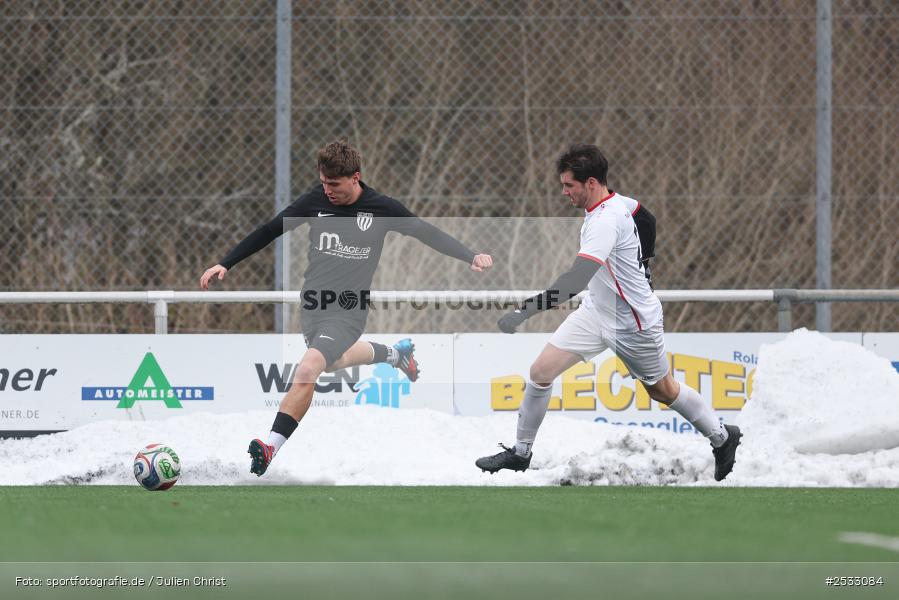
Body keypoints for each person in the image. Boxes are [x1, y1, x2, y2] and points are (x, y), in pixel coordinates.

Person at [200, 140, 493, 476]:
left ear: (355, 177)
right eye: (323, 182)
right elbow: (270, 230)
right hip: (313, 306)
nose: (328, 191)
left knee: (309, 368)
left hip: (348, 310)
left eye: (334, 184)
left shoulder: (381, 208)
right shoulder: (315, 201)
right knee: (334, 362)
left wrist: (470, 256)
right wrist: (226, 262)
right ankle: (394, 355)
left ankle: (270, 446)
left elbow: (426, 232)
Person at [476, 144, 741, 481]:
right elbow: (646, 217)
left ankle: (722, 437)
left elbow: (575, 280)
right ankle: (520, 453)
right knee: (540, 371)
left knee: (663, 390)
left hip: (632, 323)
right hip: (596, 311)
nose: (564, 192)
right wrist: (644, 263)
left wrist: (525, 311)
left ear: (590, 183)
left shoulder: (605, 220)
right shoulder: (617, 202)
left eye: (569, 185)